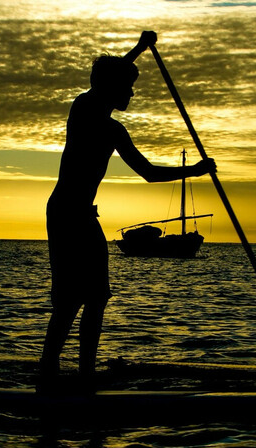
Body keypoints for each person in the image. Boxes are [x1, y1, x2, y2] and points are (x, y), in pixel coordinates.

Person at [38, 31, 216, 392]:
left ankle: (84, 371)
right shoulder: (84, 109)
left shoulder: (115, 131)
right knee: (70, 299)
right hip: (64, 214)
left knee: (97, 296)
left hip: (84, 215)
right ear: (111, 87)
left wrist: (193, 171)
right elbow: (109, 75)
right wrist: (138, 47)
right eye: (128, 88)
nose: (132, 93)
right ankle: (50, 372)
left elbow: (149, 173)